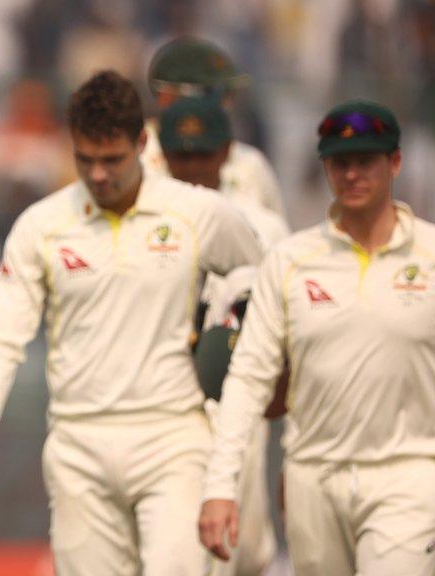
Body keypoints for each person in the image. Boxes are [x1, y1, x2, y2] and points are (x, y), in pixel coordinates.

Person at [0, 70, 263, 576]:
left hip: (174, 435)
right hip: (78, 440)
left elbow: (266, 287)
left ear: (143, 142)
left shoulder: (199, 213)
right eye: (85, 159)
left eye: (112, 160)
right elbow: (1, 336)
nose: (98, 175)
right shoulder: (43, 226)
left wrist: (234, 337)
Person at [199, 100, 435, 576]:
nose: (352, 174)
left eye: (366, 161)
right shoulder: (290, 262)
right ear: (325, 167)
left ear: (395, 163)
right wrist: (219, 486)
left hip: (409, 476)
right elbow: (247, 378)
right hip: (312, 479)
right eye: (340, 163)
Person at [158, 96, 288, 576]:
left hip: (237, 403)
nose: (192, 166)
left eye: (203, 154)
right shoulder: (143, 221)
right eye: (181, 154)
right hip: (166, 409)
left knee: (246, 553)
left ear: (226, 152)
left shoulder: (265, 226)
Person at [143, 36, 286, 216]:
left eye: (230, 94)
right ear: (166, 96)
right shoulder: (135, 160)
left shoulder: (250, 165)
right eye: (212, 93)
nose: (226, 104)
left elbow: (274, 235)